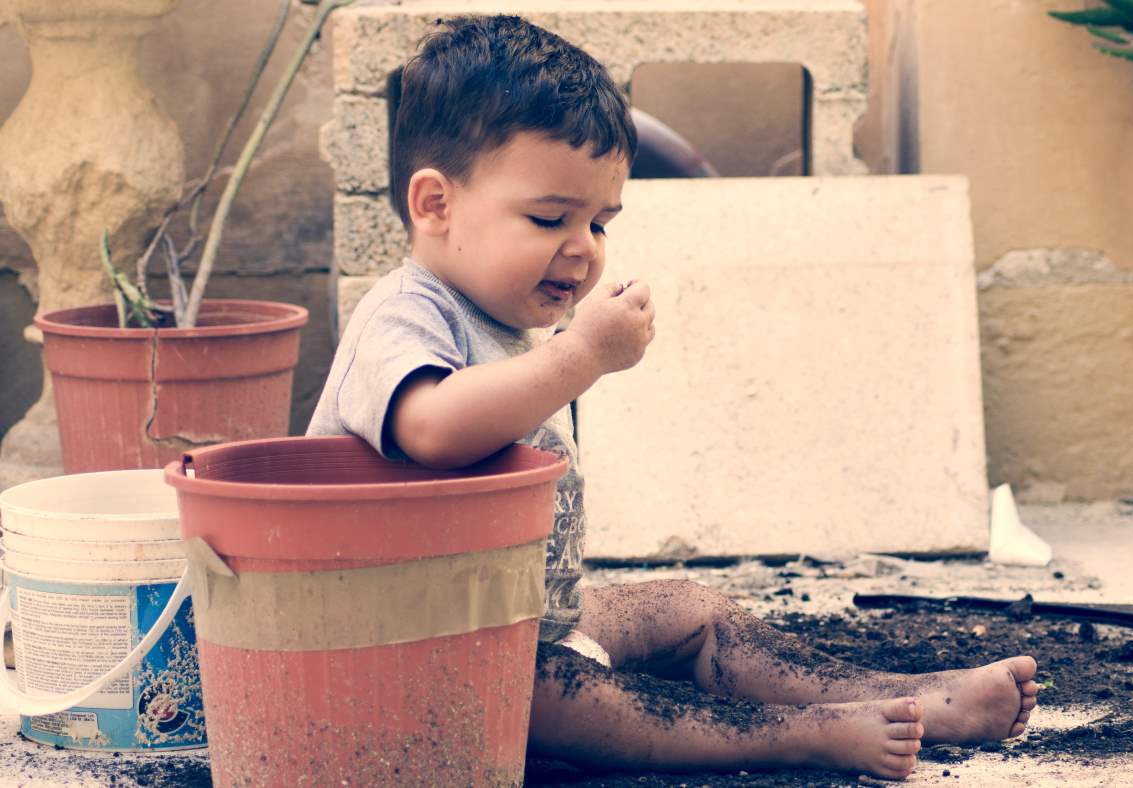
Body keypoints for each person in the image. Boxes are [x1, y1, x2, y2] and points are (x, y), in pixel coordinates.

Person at [307, 14, 1037, 780]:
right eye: (550, 218)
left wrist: (567, 351)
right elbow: (430, 428)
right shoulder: (403, 313)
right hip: (415, 662)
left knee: (693, 608)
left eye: (600, 221)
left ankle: (910, 697)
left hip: (523, 628)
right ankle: (804, 733)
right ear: (435, 205)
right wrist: (582, 354)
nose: (584, 247)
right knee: (580, 695)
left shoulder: (503, 320)